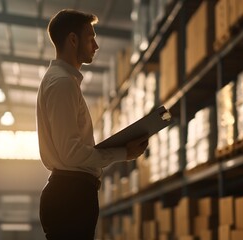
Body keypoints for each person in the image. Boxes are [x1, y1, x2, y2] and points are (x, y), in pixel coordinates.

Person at [36, 9, 148, 240]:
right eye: (91, 38)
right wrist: (122, 152)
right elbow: (72, 154)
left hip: (72, 194)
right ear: (73, 40)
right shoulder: (62, 84)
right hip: (70, 196)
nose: (96, 46)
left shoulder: (64, 81)